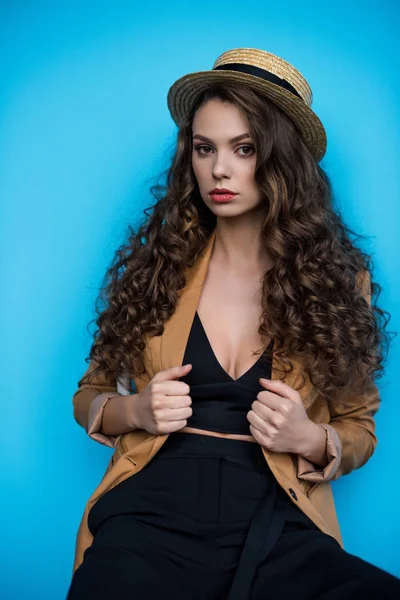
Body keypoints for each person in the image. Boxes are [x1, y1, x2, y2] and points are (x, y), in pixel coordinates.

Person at [66, 48, 400, 599]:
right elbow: (91, 393)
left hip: (274, 515)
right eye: (205, 148)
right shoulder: (160, 266)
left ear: (283, 161)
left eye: (244, 149)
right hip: (153, 510)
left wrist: (310, 439)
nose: (219, 169)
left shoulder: (339, 283)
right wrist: (136, 409)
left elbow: (360, 427)